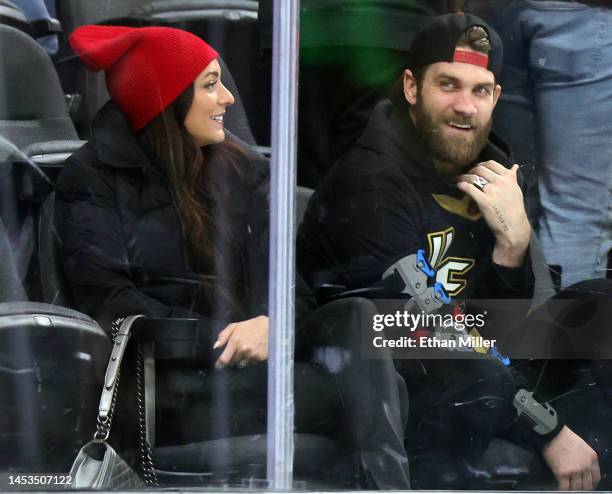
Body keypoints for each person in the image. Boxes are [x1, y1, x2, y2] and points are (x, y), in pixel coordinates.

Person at [55, 25, 410, 488]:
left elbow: (290, 279)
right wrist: (225, 341)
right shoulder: (91, 178)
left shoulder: (242, 170)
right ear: (166, 99)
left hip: (253, 372)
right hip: (170, 386)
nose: (227, 98)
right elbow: (110, 302)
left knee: (358, 319)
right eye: (209, 85)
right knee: (380, 390)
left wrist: (271, 323)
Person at [298, 13, 604, 490]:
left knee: (601, 305)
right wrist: (546, 427)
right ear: (410, 87)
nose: (465, 106)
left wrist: (513, 248)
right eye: (448, 84)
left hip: (481, 377)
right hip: (405, 393)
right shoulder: (367, 183)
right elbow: (419, 334)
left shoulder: (495, 176)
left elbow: (498, 329)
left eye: (480, 91)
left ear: (496, 98)